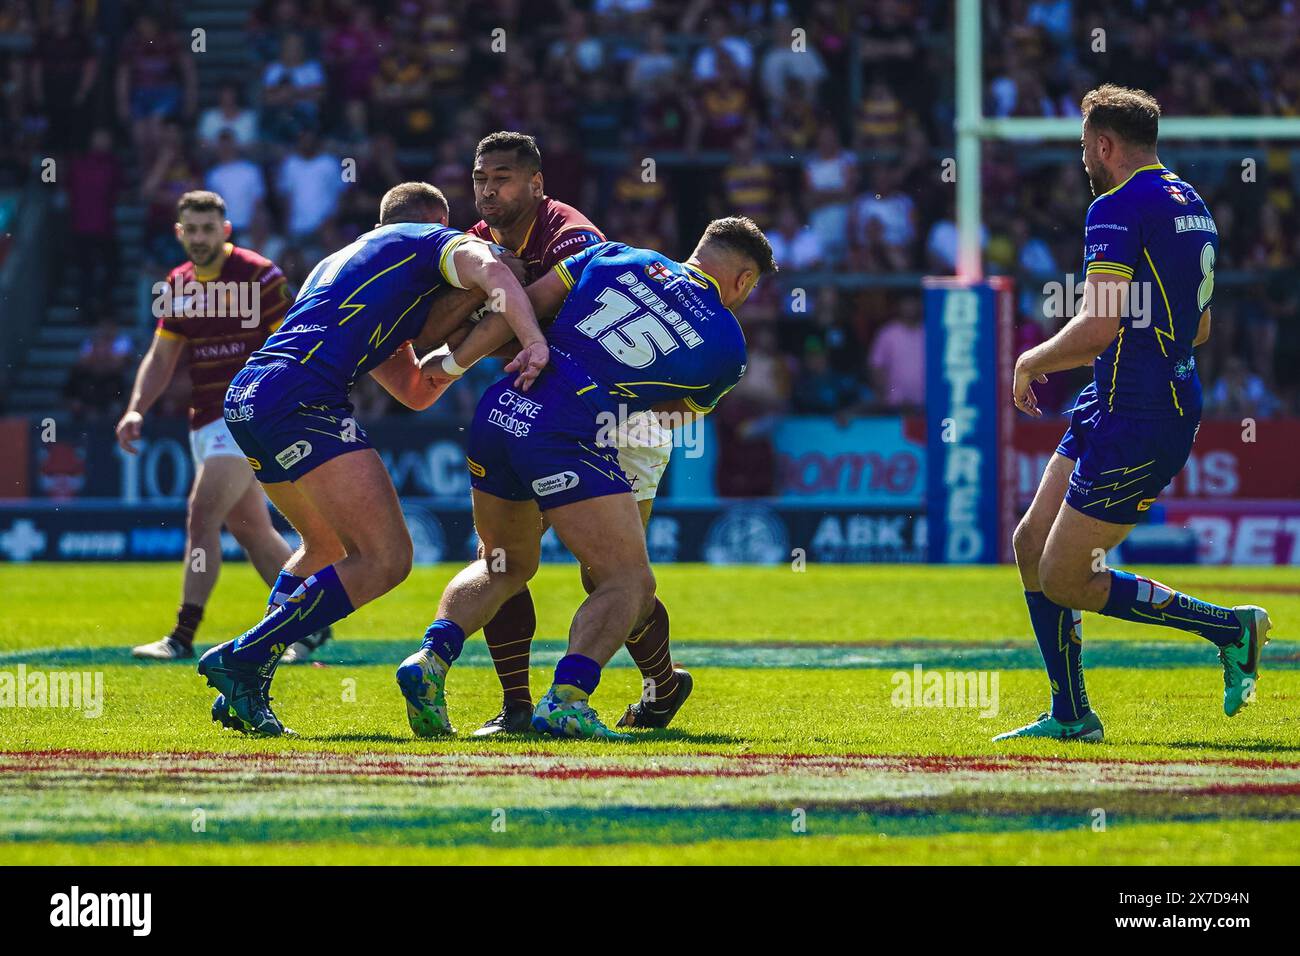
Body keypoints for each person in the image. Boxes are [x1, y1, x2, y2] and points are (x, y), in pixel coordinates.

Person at [394, 217, 776, 741]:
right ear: (743, 278)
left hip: (502, 406)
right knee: (628, 581)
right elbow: (668, 416)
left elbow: (520, 305)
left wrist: (458, 363)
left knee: (502, 564)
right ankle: (568, 699)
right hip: (569, 430)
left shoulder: (616, 254)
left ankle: (431, 658)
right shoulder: (728, 347)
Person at [196, 182, 547, 737]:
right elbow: (498, 273)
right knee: (387, 558)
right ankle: (243, 657)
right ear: (437, 222)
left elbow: (413, 388)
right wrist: (531, 341)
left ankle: (247, 684)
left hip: (251, 395)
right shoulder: (428, 238)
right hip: (301, 400)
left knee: (325, 548)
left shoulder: (341, 266)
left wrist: (463, 354)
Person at [999, 85, 1270, 743]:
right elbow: (1199, 328)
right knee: (1031, 544)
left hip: (1143, 414)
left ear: (1104, 145)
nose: (1084, 159)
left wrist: (1032, 359)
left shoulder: (1114, 206)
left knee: (1066, 576)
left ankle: (1228, 628)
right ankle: (1070, 715)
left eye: (1084, 147)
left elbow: (1096, 327)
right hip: (1121, 398)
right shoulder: (1191, 202)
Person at [453, 131, 687, 735]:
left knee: (609, 574)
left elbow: (545, 320)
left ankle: (661, 685)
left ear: (536, 184)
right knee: (502, 560)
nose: (487, 189)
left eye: (501, 177)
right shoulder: (476, 244)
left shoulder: (573, 234)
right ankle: (516, 708)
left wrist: (495, 312)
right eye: (480, 177)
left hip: (614, 418)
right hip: (536, 414)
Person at [118, 191, 317, 662]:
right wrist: (135, 409)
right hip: (203, 420)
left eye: (210, 228)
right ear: (179, 233)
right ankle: (310, 621)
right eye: (192, 229)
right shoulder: (178, 283)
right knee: (251, 529)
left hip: (248, 414)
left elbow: (291, 342)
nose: (201, 237)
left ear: (226, 230)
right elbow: (162, 356)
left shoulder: (259, 274)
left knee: (201, 514)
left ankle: (182, 636)